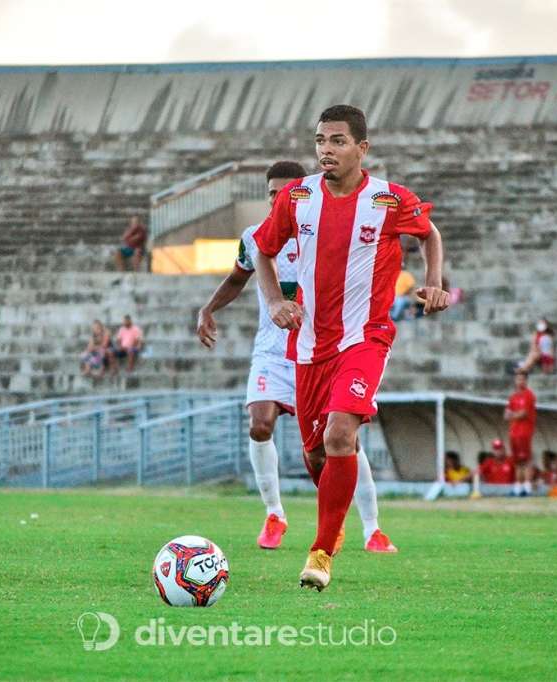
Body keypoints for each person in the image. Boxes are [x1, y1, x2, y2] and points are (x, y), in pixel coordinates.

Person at [253, 104, 448, 590]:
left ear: (362, 148)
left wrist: (434, 283)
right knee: (318, 456)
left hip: (365, 338)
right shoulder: (297, 197)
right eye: (320, 140)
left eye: (337, 141)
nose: (326, 150)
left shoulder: (387, 199)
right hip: (310, 344)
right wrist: (276, 300)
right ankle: (333, 519)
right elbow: (262, 249)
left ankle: (320, 554)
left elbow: (430, 234)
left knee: (342, 436)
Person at [197, 160, 397, 554]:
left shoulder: (326, 230)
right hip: (273, 352)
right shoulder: (255, 238)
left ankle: (370, 528)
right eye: (272, 193)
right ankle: (275, 514)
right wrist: (208, 309)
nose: (280, 199)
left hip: (322, 351)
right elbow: (237, 279)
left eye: (288, 191)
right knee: (259, 424)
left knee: (340, 442)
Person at [504, 370, 536, 496]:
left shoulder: (529, 395)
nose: (520, 382)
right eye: (518, 379)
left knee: (526, 460)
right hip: (514, 432)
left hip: (524, 432)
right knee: (517, 461)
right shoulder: (513, 397)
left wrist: (513, 415)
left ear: (526, 381)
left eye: (522, 379)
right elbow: (506, 414)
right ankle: (518, 486)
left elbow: (523, 413)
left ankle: (527, 487)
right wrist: (513, 415)